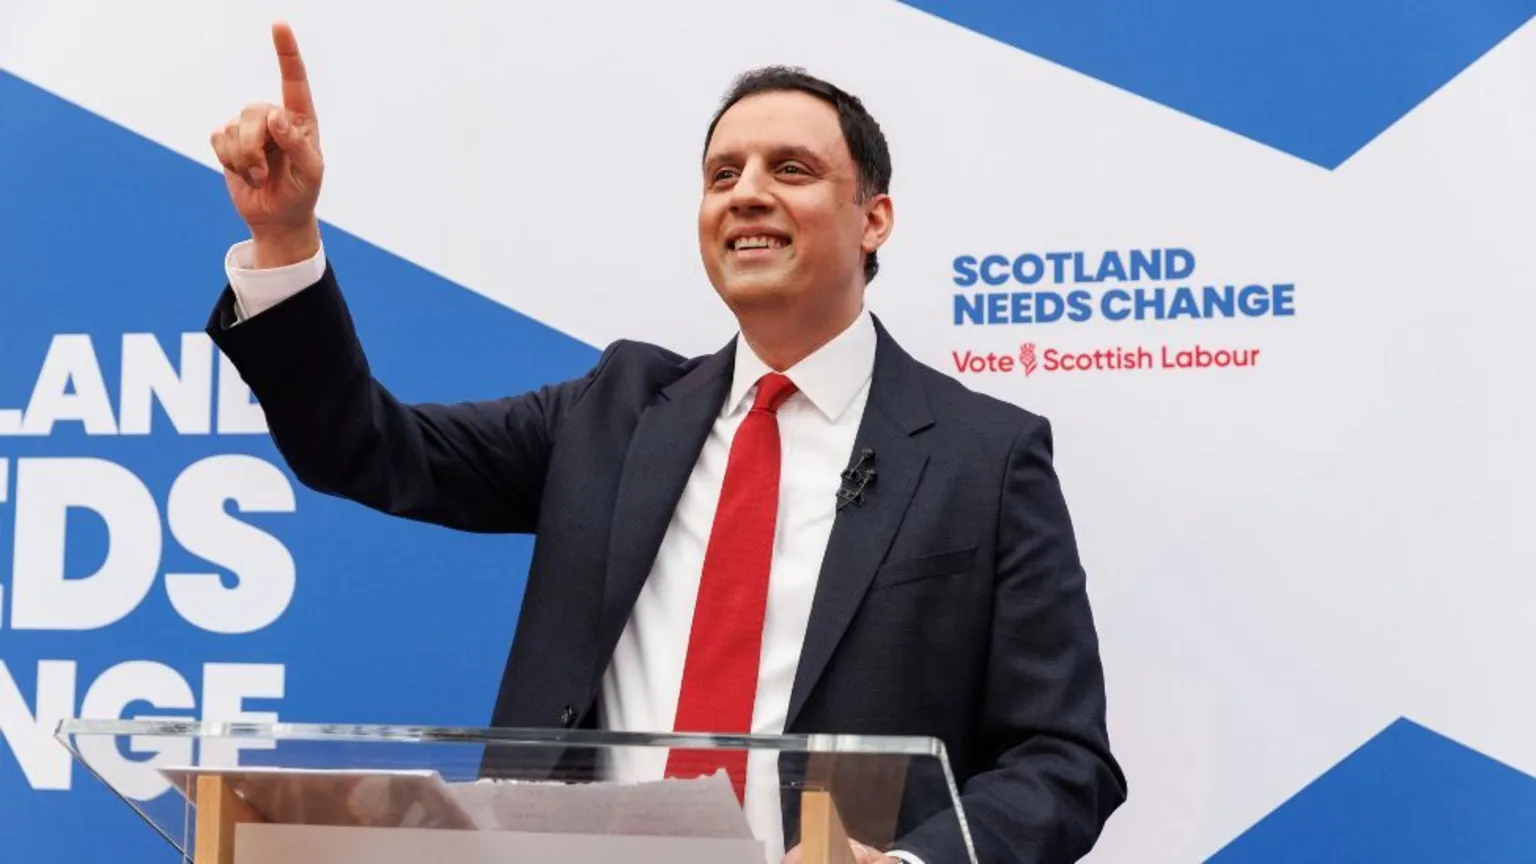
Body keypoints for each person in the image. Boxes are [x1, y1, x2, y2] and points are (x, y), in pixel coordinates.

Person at [206, 21, 1126, 863]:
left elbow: (1061, 758)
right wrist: (287, 239)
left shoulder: (982, 457)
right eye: (723, 175)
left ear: (873, 218)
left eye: (791, 170)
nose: (748, 193)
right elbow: (364, 447)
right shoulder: (614, 411)